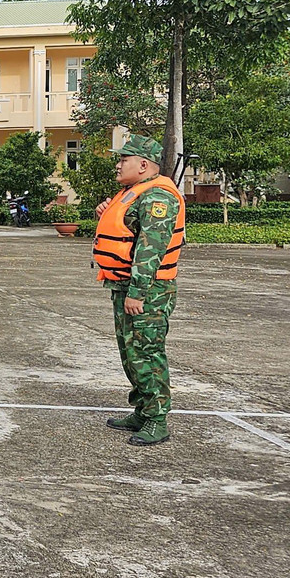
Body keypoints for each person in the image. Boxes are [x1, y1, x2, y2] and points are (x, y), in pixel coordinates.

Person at [92, 134, 186, 446]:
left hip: (148, 291)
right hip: (123, 286)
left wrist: (138, 292)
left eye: (124, 160)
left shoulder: (158, 198)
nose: (118, 166)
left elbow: (150, 251)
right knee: (130, 354)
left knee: (146, 352)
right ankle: (143, 410)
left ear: (143, 165)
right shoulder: (132, 193)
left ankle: (157, 419)